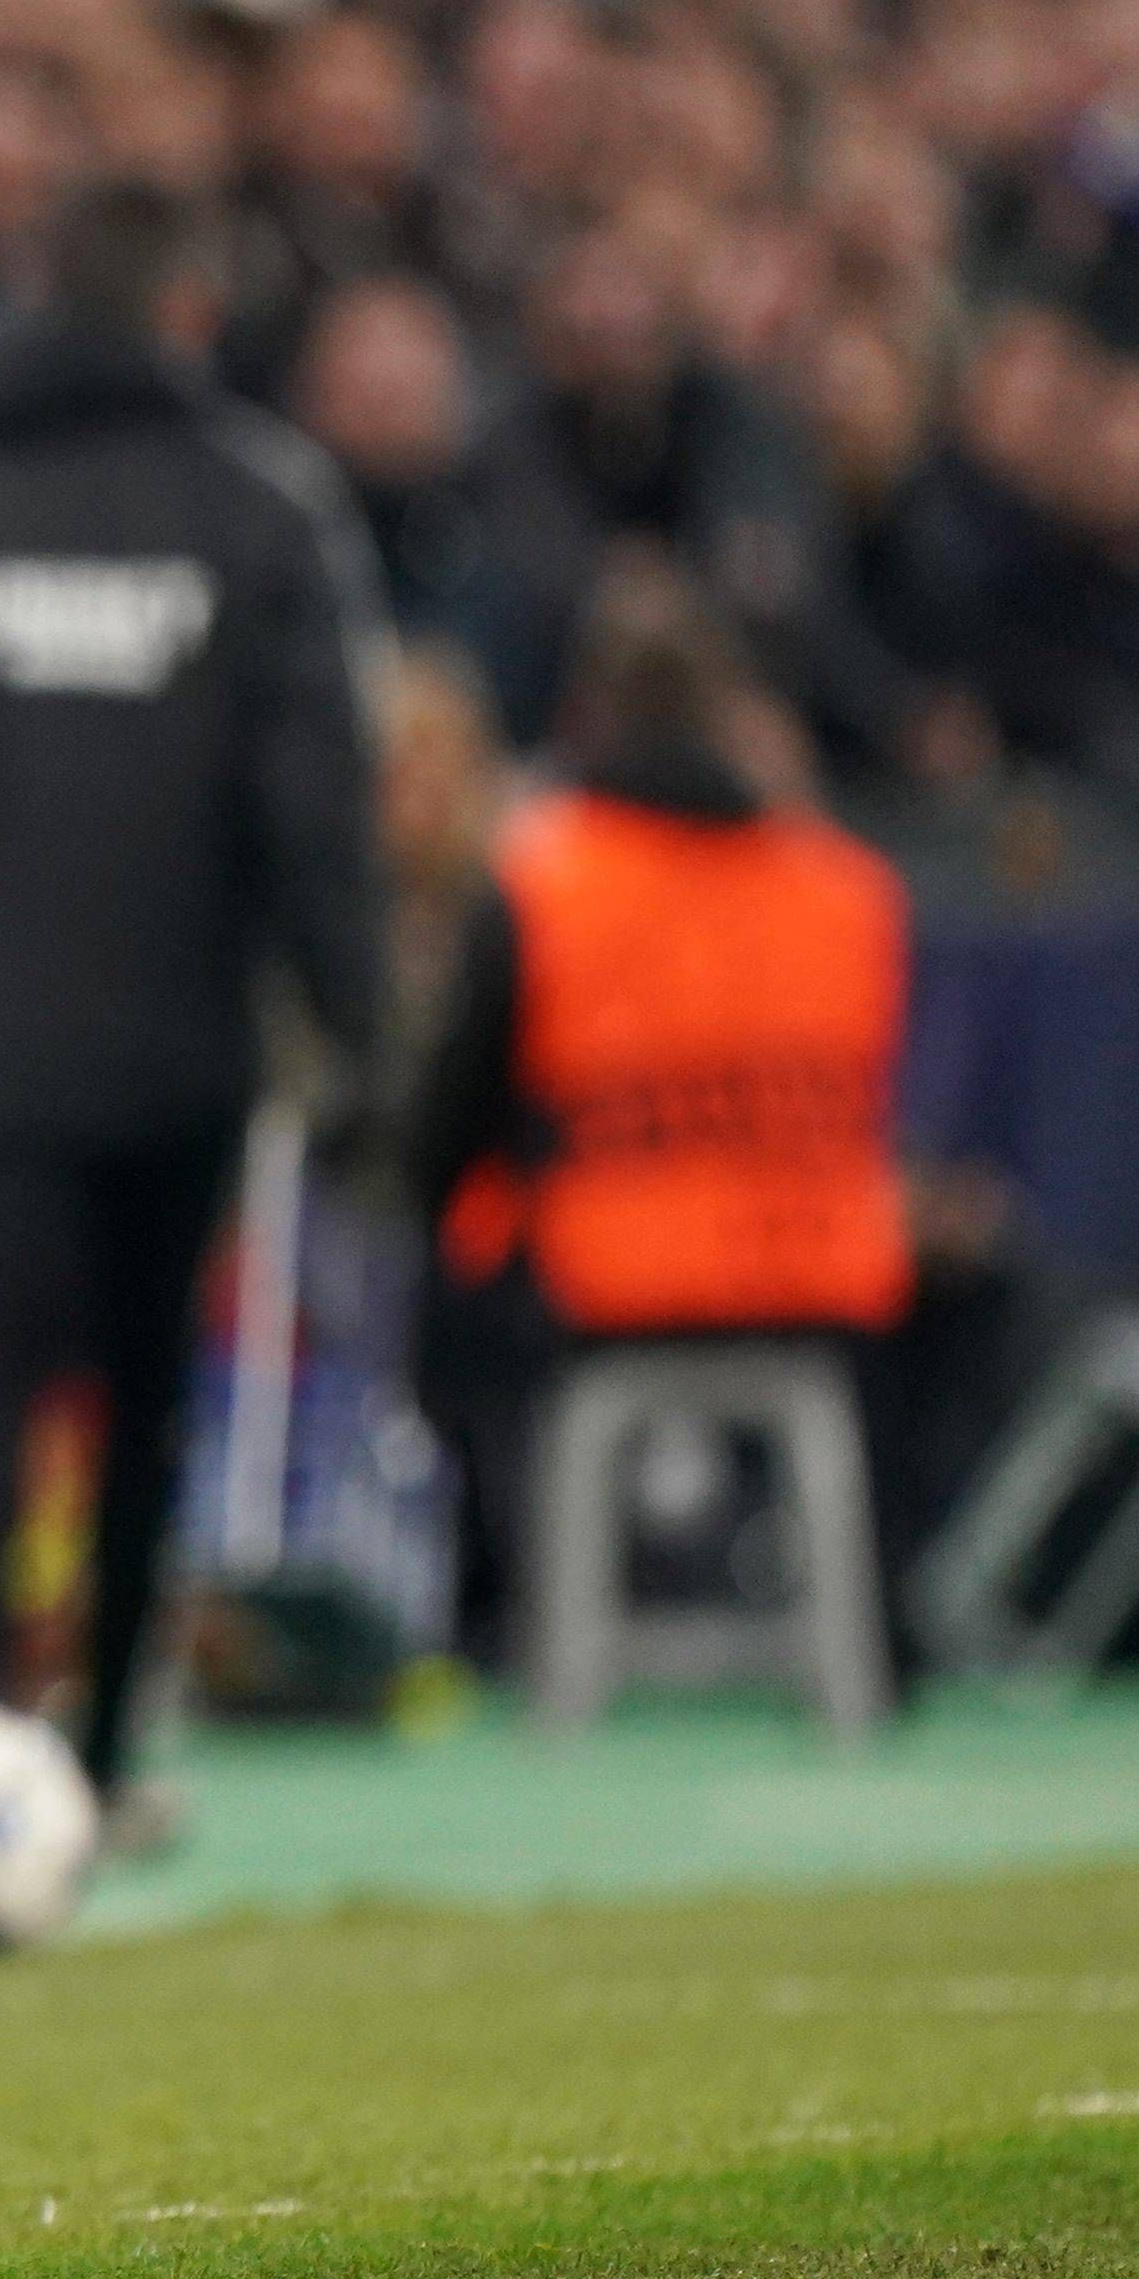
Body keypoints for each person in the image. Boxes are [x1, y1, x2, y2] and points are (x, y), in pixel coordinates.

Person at [0, 182, 384, 1823]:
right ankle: (105, 1754)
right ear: (186, 309)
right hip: (180, 1038)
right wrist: (359, 1028)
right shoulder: (264, 510)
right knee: (143, 1400)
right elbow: (313, 805)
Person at [403, 558, 917, 1601]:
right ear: (731, 715)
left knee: (438, 1290)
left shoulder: (541, 880)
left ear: (586, 713)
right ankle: (880, 1616)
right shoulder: (847, 889)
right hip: (822, 1283)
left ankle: (493, 1607)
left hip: (603, 1287)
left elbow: (449, 1127)